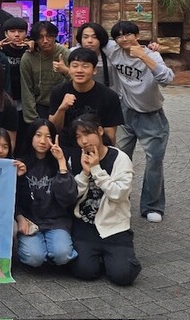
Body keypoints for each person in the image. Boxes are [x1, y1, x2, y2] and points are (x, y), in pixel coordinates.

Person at [106, 21, 175, 223]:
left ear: (137, 35)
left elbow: (167, 79)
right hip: (125, 113)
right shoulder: (114, 50)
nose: (123, 39)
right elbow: (89, 42)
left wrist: (144, 56)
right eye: (119, 36)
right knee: (119, 158)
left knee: (154, 161)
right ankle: (118, 201)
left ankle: (152, 206)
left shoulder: (152, 55)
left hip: (151, 115)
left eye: (128, 34)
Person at [70, 117, 142, 286]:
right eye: (79, 137)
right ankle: (98, 258)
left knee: (123, 275)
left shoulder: (120, 158)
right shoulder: (76, 158)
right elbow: (71, 195)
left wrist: (96, 169)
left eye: (88, 133)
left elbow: (119, 194)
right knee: (84, 271)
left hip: (114, 226)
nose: (84, 141)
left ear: (100, 131)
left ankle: (115, 258)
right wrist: (84, 174)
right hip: (85, 225)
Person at [15, 120, 78, 269]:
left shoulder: (58, 163)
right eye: (38, 135)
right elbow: (12, 197)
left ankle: (52, 251)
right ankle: (42, 252)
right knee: (34, 258)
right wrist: (19, 217)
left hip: (56, 221)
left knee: (62, 255)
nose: (43, 141)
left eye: (48, 136)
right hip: (30, 221)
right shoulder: (20, 163)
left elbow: (68, 197)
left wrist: (61, 162)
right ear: (31, 136)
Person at [47, 48, 123, 150]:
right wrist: (62, 108)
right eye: (75, 66)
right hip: (65, 148)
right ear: (69, 68)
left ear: (94, 70)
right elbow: (53, 130)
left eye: (85, 66)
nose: (79, 70)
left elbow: (110, 136)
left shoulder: (109, 96)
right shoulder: (58, 91)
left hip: (94, 149)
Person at [20, 21, 69, 125]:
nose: (45, 41)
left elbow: (77, 81)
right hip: (40, 107)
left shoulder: (65, 54)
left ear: (55, 36)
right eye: (40, 37)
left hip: (64, 105)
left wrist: (65, 71)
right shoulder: (28, 57)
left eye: (49, 36)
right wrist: (32, 120)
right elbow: (27, 90)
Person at [0, 17, 30, 103]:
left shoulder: (30, 50)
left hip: (24, 96)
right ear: (6, 34)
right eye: (12, 31)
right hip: (4, 96)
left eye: (21, 31)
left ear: (26, 33)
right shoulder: (0, 50)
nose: (17, 35)